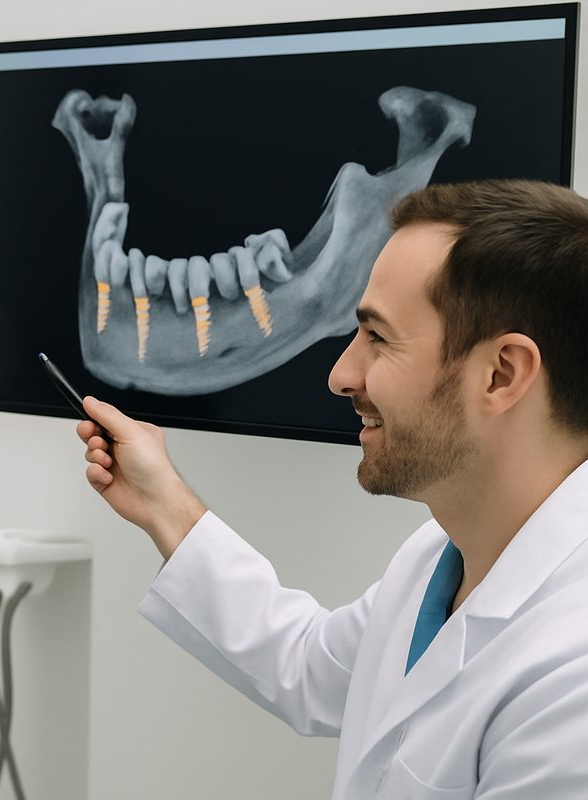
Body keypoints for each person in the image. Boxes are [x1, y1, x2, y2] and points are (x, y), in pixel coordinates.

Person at [77, 179, 588, 798]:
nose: (340, 375)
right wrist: (165, 505)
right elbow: (311, 666)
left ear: (501, 374)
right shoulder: (441, 557)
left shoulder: (571, 678)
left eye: (378, 337)